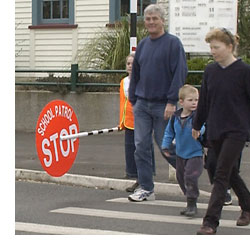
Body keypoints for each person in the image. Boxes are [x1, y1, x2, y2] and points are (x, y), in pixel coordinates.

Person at [192, 28, 250, 235]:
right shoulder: (211, 71)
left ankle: (210, 222)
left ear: (229, 47)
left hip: (236, 130)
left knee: (222, 174)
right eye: (211, 48)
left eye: (216, 47)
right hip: (216, 129)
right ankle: (248, 206)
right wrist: (196, 125)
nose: (213, 51)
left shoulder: (244, 71)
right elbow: (204, 101)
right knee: (217, 168)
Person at [128, 4, 188, 202]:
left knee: (167, 148)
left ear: (163, 20)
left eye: (155, 18)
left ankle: (190, 179)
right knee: (141, 147)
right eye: (148, 19)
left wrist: (172, 101)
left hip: (164, 105)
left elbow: (179, 74)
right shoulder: (143, 45)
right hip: (143, 104)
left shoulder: (173, 44)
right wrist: (134, 99)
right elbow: (135, 73)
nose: (151, 22)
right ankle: (146, 188)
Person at [162, 85, 205, 217]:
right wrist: (165, 146)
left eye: (196, 100)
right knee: (181, 178)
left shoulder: (198, 116)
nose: (194, 103)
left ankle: (192, 203)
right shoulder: (175, 117)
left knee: (190, 177)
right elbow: (169, 132)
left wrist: (200, 131)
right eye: (190, 100)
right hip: (181, 153)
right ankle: (189, 200)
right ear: (181, 102)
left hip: (195, 153)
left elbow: (204, 127)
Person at [119, 53, 155, 192]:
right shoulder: (124, 82)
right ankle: (136, 177)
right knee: (131, 151)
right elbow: (123, 103)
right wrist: (121, 121)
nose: (130, 66)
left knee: (143, 150)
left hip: (141, 122)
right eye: (128, 64)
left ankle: (144, 179)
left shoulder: (143, 81)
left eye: (133, 64)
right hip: (128, 121)